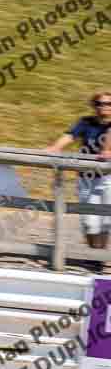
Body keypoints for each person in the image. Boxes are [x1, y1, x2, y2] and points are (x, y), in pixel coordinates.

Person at [47, 91, 111, 270]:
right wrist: (55, 147)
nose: (104, 107)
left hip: (108, 178)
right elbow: (69, 136)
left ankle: (99, 257)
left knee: (107, 221)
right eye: (100, 103)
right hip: (87, 177)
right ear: (94, 106)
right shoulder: (86, 122)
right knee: (90, 223)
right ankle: (93, 254)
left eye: (108, 104)